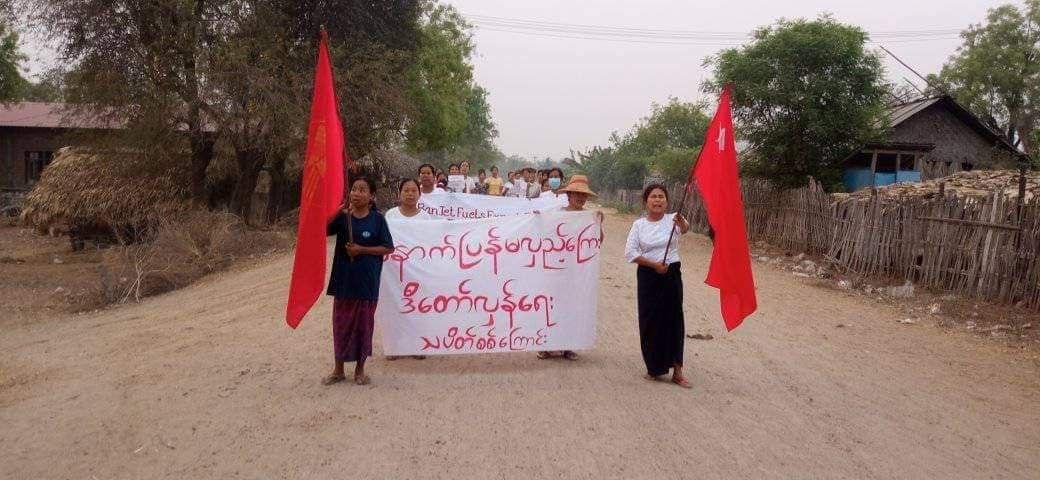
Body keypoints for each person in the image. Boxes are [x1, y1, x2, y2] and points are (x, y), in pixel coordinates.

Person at [323, 176, 395, 386]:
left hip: (366, 281)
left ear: (371, 196)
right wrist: (338, 209)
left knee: (363, 326)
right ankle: (338, 370)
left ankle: (360, 371)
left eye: (363, 190)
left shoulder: (377, 220)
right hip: (343, 280)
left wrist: (362, 250)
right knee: (341, 325)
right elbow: (324, 229)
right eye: (354, 189)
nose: (357, 193)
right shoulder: (343, 218)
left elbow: (388, 248)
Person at [623, 184, 692, 389]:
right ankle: (654, 367)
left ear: (667, 201)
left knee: (674, 320)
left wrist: (682, 222)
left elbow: (686, 229)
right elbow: (630, 253)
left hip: (671, 274)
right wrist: (653, 265)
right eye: (653, 197)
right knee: (650, 320)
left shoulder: (674, 219)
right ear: (646, 201)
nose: (658, 200)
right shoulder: (639, 225)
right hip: (648, 276)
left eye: (661, 196)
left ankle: (678, 370)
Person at [536, 174, 605, 361]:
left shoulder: (590, 217)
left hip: (577, 272)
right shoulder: (557, 213)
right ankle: (547, 345)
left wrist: (599, 224)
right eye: (577, 194)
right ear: (569, 195)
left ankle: (568, 345)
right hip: (556, 270)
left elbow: (597, 241)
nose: (580, 198)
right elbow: (542, 231)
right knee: (552, 307)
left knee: (572, 307)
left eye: (583, 195)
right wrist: (537, 220)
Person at [384, 178, 432, 361]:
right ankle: (395, 346)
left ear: (419, 194)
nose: (410, 194)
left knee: (417, 307)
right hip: (394, 270)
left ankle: (417, 345)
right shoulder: (391, 215)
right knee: (395, 306)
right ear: (399, 194)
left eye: (413, 190)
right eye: (406, 190)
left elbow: (431, 243)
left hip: (418, 271)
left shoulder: (426, 217)